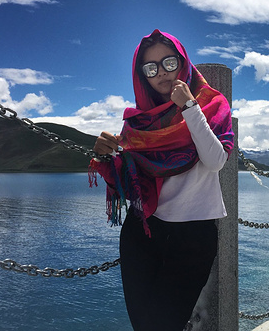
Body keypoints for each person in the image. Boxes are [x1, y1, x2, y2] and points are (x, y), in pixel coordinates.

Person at [89, 29, 234, 331]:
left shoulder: (211, 105)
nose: (162, 73)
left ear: (182, 62)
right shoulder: (139, 122)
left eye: (169, 63)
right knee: (143, 325)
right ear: (142, 76)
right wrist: (105, 155)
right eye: (151, 68)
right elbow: (132, 181)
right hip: (142, 231)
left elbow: (216, 160)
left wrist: (190, 108)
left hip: (193, 235)